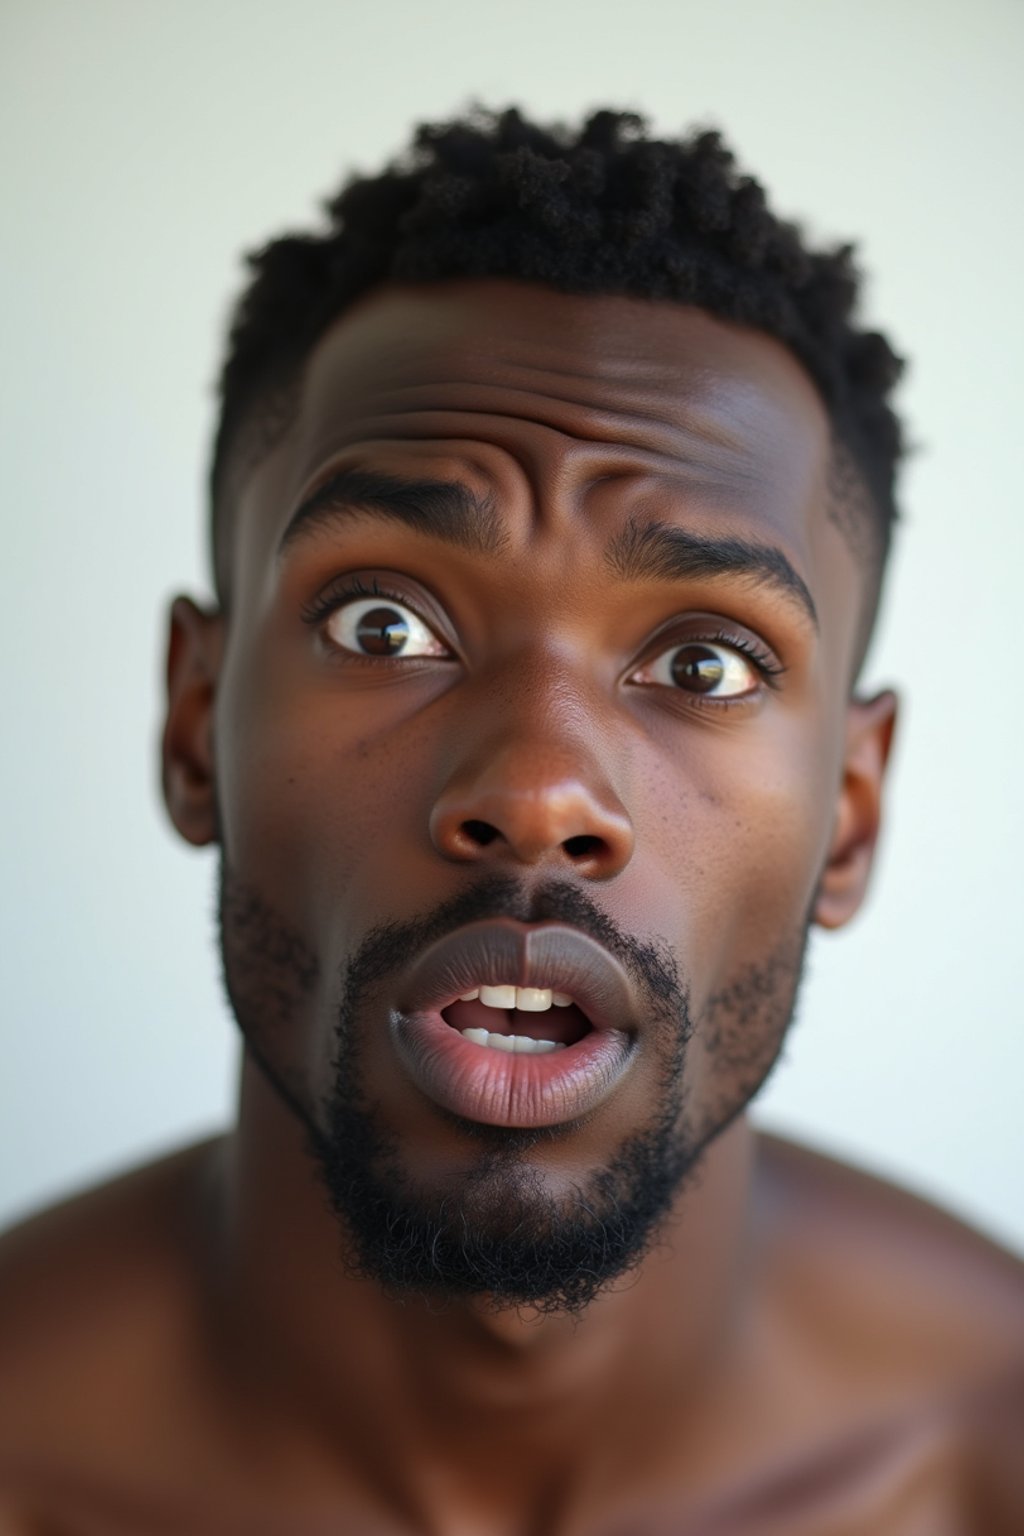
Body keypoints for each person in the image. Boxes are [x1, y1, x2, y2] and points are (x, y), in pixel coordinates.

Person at [1, 105, 1021, 1534]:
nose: (538, 791)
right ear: (194, 725)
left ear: (849, 819)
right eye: (382, 623)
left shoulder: (991, 1451)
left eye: (705, 665)